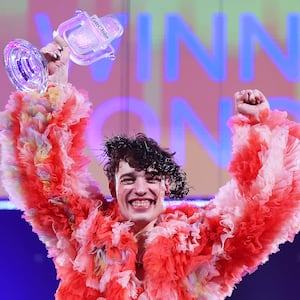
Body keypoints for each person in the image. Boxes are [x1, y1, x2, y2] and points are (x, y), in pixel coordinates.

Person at [1, 39, 300, 300]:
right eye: (129, 179)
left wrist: (256, 127)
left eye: (151, 179)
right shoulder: (84, 234)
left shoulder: (198, 241)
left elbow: (258, 211)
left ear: (166, 186)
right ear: (112, 186)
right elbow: (46, 179)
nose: (140, 189)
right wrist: (54, 85)